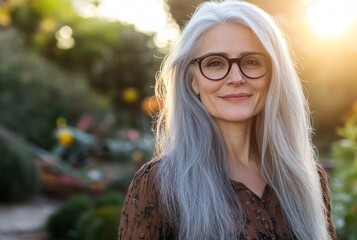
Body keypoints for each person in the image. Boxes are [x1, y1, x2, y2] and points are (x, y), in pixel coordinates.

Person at [118, 1, 336, 239]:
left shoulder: (307, 179)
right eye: (215, 63)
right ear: (193, 81)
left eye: (251, 61)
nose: (235, 78)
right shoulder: (159, 186)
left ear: (273, 74)